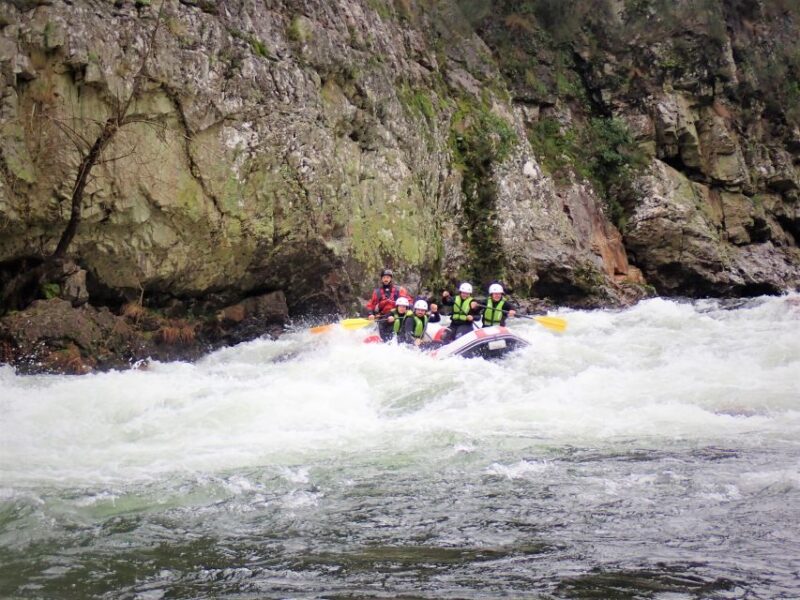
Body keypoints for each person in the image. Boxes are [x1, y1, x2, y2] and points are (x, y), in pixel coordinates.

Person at [365, 268, 411, 341]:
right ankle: (385, 341)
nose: (386, 279)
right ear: (381, 279)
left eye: (388, 277)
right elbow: (371, 305)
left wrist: (408, 311)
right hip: (384, 317)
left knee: (401, 330)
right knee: (385, 336)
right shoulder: (377, 292)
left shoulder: (399, 290)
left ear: (391, 279)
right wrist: (371, 314)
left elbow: (408, 301)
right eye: (384, 277)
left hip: (398, 315)